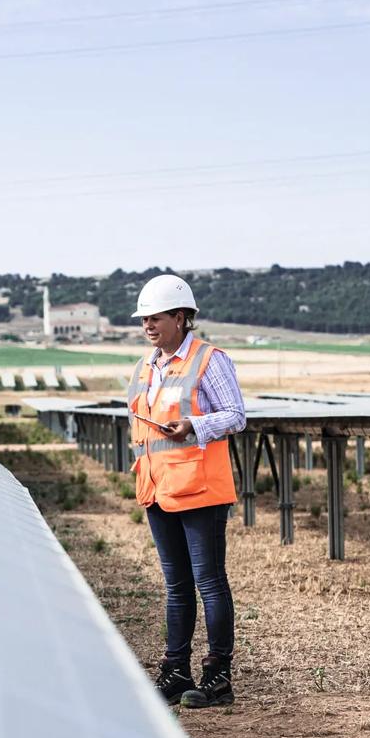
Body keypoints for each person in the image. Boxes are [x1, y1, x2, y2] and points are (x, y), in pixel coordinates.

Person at [127, 273, 246, 708]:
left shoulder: (209, 360)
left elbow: (236, 415)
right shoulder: (145, 367)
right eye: (144, 320)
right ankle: (176, 672)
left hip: (200, 490)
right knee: (176, 586)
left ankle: (218, 678)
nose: (148, 326)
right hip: (158, 490)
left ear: (180, 317)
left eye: (155, 318)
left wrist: (194, 425)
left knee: (209, 583)